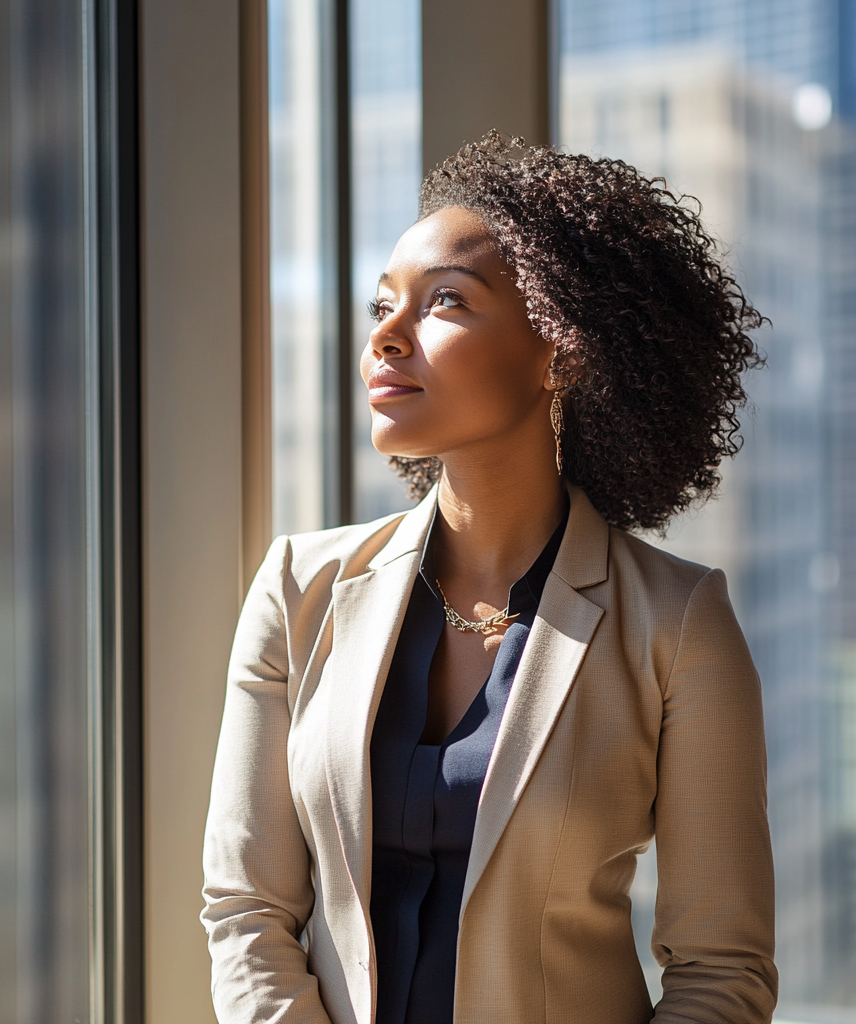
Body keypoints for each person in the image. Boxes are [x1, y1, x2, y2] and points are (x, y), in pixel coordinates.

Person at [201, 131, 777, 1024]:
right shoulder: (297, 589)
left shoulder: (677, 622)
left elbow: (720, 970)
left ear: (561, 351)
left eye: (444, 303)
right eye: (380, 305)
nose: (386, 336)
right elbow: (247, 911)